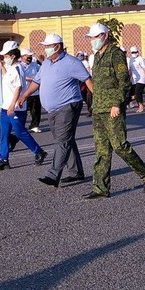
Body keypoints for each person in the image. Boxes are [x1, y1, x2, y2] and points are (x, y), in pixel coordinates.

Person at [82, 22, 145, 199]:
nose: (92, 41)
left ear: (104, 36)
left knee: (120, 146)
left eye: (94, 37)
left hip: (112, 108)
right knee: (102, 150)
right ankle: (100, 188)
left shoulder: (115, 54)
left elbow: (124, 81)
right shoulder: (97, 56)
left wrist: (116, 103)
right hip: (99, 108)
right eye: (90, 38)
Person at [18, 34, 92, 186]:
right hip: (52, 109)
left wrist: (99, 102)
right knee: (66, 139)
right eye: (44, 46)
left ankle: (53, 175)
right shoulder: (46, 63)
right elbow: (37, 82)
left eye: (48, 46)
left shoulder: (72, 63)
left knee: (62, 141)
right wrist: (25, 95)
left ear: (57, 46)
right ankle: (76, 172)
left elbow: (88, 80)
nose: (45, 49)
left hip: (68, 106)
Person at [0, 41, 48, 171]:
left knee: (20, 132)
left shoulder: (18, 69)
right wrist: (2, 67)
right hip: (5, 106)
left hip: (16, 107)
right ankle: (3, 159)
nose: (4, 58)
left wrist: (13, 105)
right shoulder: (11, 68)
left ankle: (39, 151)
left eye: (6, 55)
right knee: (4, 134)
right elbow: (8, 78)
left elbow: (19, 87)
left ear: (12, 55)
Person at [19, 48, 42, 132]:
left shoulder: (35, 65)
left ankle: (34, 125)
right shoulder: (19, 65)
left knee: (35, 109)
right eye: (27, 56)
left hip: (34, 91)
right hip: (23, 91)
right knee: (23, 110)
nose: (29, 58)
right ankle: (21, 126)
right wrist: (28, 78)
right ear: (22, 56)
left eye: (30, 56)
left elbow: (41, 72)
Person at [128, 46, 145, 113]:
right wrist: (129, 77)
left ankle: (141, 106)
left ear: (138, 52)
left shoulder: (141, 59)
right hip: (134, 79)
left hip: (141, 78)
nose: (134, 53)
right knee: (136, 94)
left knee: (137, 93)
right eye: (133, 52)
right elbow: (130, 70)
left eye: (135, 52)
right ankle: (141, 105)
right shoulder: (131, 59)